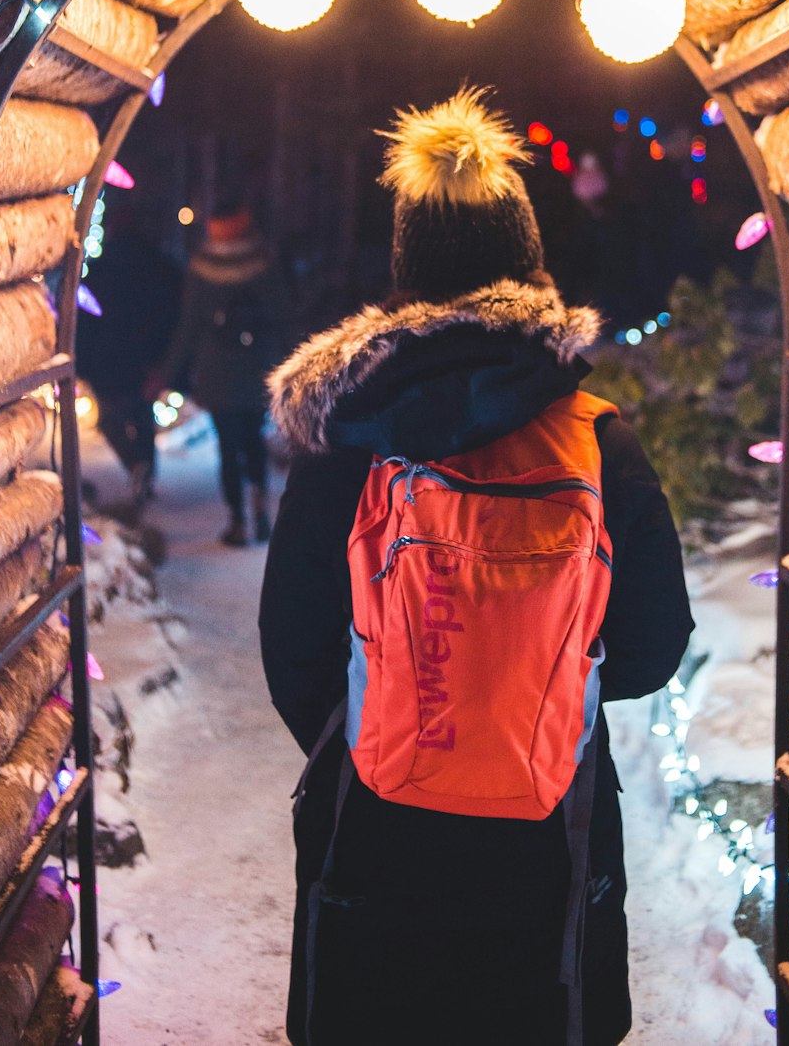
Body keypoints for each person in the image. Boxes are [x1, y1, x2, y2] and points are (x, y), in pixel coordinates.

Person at [259, 88, 694, 1046]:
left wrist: (393, 720)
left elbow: (290, 640)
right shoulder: (596, 441)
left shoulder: (345, 443)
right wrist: (534, 692)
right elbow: (656, 644)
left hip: (375, 831)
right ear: (531, 269)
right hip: (551, 832)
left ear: (405, 276)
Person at [160, 203, 280, 546]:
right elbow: (283, 315)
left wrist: (170, 373)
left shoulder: (201, 269)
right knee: (255, 440)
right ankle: (260, 510)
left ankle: (237, 521)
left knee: (228, 447)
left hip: (218, 372)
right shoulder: (266, 264)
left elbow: (188, 327)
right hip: (259, 367)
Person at [76, 206, 183, 513]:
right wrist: (163, 360)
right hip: (143, 358)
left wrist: (82, 361)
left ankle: (136, 466)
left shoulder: (100, 269)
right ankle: (144, 473)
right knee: (141, 416)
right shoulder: (159, 266)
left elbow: (86, 319)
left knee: (110, 419)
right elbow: (172, 314)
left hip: (107, 359)